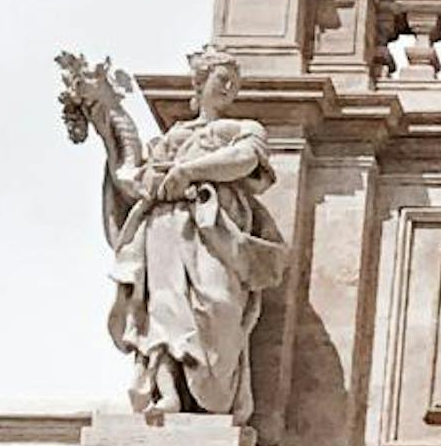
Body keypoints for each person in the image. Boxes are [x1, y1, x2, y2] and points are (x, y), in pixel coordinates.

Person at [54, 46, 292, 423]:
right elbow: (133, 176)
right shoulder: (174, 136)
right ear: (200, 81)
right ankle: (167, 393)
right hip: (166, 228)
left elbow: (246, 160)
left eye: (234, 80)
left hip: (214, 235)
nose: (229, 85)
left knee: (219, 305)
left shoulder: (244, 130)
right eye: (221, 76)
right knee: (165, 310)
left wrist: (190, 172)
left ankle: (212, 395)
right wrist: (109, 119)